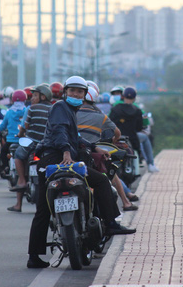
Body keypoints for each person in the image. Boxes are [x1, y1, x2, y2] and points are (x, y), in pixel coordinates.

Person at [27, 76, 135, 269]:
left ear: (85, 95)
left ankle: (34, 256)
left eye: (80, 92)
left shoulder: (70, 110)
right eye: (72, 91)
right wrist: (67, 152)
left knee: (45, 208)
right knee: (100, 181)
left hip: (61, 157)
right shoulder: (61, 107)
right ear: (66, 92)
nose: (76, 94)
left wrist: (95, 147)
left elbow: (74, 137)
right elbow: (60, 132)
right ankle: (110, 223)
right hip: (55, 157)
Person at [76, 87, 138, 212]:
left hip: (71, 154)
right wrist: (112, 141)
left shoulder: (71, 114)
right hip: (93, 155)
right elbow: (117, 133)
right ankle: (125, 203)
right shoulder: (101, 116)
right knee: (110, 173)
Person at [7, 85, 52, 212]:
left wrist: (20, 134)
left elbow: (25, 126)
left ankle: (21, 182)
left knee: (18, 156)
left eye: (35, 96)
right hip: (46, 145)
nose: (32, 99)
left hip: (30, 143)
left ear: (43, 97)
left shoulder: (32, 108)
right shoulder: (54, 109)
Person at [0, 89, 26, 186]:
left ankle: (6, 167)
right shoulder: (26, 110)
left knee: (3, 152)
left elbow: (2, 126)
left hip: (10, 141)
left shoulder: (9, 112)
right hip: (22, 141)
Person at [109, 87, 144, 164]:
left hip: (116, 138)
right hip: (132, 138)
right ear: (134, 98)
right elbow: (139, 127)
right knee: (137, 153)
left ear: (123, 96)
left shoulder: (115, 109)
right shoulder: (137, 110)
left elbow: (110, 124)